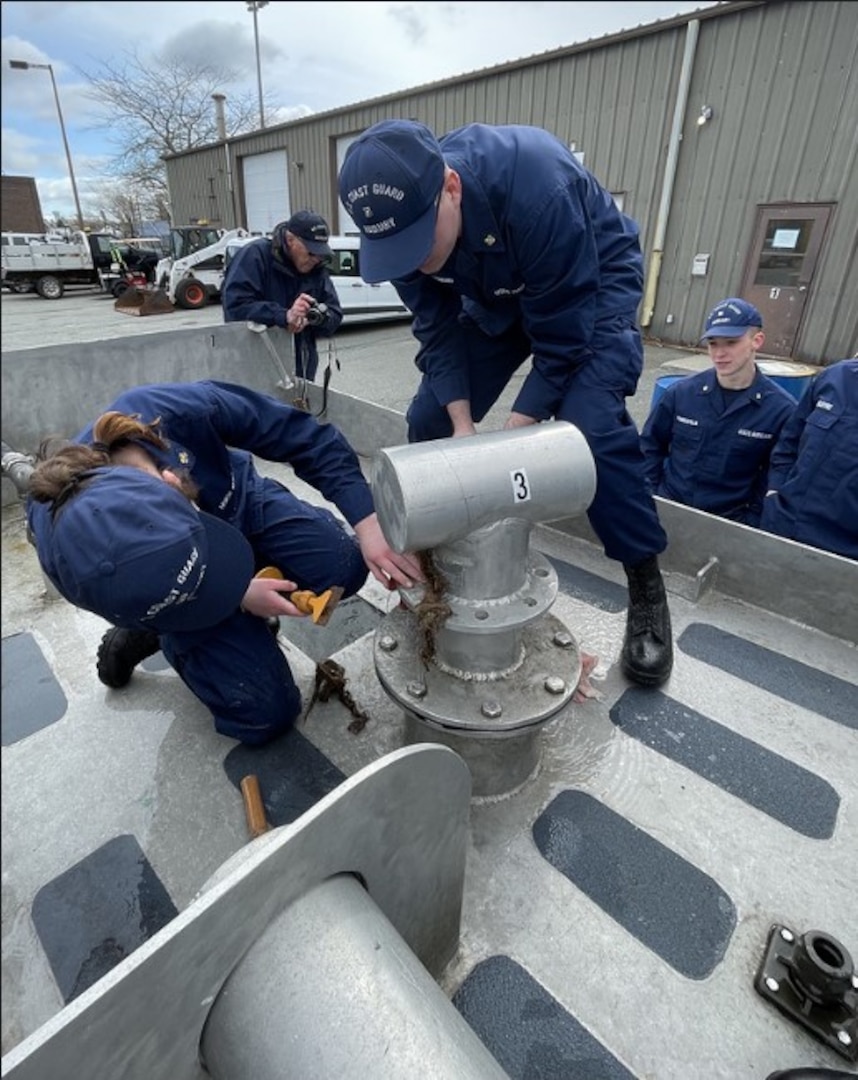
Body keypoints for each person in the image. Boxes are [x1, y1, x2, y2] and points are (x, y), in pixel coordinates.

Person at [337, 119, 673, 688]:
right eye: (399, 251)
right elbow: (437, 331)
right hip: (494, 294)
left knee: (590, 430)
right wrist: (463, 427)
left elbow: (564, 335)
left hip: (586, 287)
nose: (415, 262)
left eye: (421, 243)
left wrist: (510, 441)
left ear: (450, 186)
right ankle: (437, 568)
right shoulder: (401, 237)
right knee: (428, 418)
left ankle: (646, 587)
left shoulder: (538, 183)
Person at [27, 380, 423, 746]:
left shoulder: (174, 411)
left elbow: (302, 436)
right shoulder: (66, 556)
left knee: (344, 566)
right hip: (172, 597)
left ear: (168, 479)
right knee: (266, 714)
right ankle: (156, 633)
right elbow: (127, 597)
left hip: (240, 505)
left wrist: (368, 519)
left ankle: (220, 595)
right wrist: (234, 598)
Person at [640, 298, 796, 527]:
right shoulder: (681, 394)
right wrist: (650, 496)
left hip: (729, 523)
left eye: (731, 343)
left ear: (757, 341)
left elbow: (777, 475)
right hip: (668, 510)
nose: (719, 353)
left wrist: (752, 520)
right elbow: (650, 447)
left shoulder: (781, 410)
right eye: (713, 344)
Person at [222, 210, 342, 381]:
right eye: (311, 252)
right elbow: (235, 308)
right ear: (290, 239)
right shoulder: (255, 256)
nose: (316, 259)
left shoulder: (317, 269)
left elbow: (335, 313)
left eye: (320, 253)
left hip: (302, 370)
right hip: (257, 368)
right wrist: (284, 316)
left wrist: (316, 318)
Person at [760, 358, 858, 559]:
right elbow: (789, 442)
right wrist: (774, 491)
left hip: (844, 553)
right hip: (783, 525)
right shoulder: (836, 377)